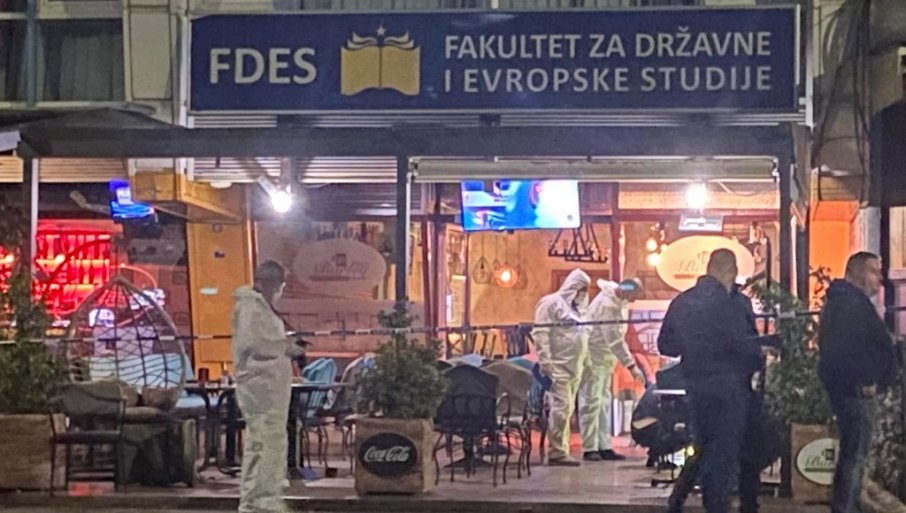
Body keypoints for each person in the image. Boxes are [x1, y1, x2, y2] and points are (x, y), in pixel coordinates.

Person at [658, 249, 764, 513]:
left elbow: (666, 345)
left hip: (696, 384)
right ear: (731, 272)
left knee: (704, 444)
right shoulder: (735, 304)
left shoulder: (683, 301)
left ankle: (677, 500)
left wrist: (692, 346)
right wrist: (760, 358)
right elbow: (747, 346)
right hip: (732, 386)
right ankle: (721, 505)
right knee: (727, 451)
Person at [817, 252, 899, 513]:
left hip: (855, 390)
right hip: (856, 392)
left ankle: (848, 504)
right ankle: (845, 507)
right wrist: (865, 379)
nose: (880, 279)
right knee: (854, 456)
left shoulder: (849, 303)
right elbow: (846, 350)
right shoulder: (849, 305)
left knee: (854, 455)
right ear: (860, 272)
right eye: (874, 271)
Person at [232, 260, 306, 513]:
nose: (280, 292)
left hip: (268, 388)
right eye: (280, 286)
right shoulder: (251, 309)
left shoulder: (258, 308)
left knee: (265, 442)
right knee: (267, 442)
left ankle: (262, 496)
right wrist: (286, 348)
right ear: (270, 283)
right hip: (261, 389)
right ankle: (261, 499)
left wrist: (285, 346)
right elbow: (255, 345)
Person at [579, 278, 646, 462]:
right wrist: (631, 366)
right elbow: (614, 340)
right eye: (633, 296)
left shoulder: (617, 300)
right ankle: (590, 447)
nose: (633, 301)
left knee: (603, 403)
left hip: (605, 359)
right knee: (592, 402)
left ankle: (604, 445)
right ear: (625, 291)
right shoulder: (608, 305)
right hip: (594, 358)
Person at [533, 268, 591, 466]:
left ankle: (561, 448)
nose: (583, 294)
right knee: (561, 407)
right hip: (557, 366)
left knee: (567, 408)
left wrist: (586, 361)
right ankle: (557, 451)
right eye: (581, 289)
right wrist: (545, 360)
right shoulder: (550, 304)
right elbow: (541, 333)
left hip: (574, 366)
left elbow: (583, 335)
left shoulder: (580, 310)